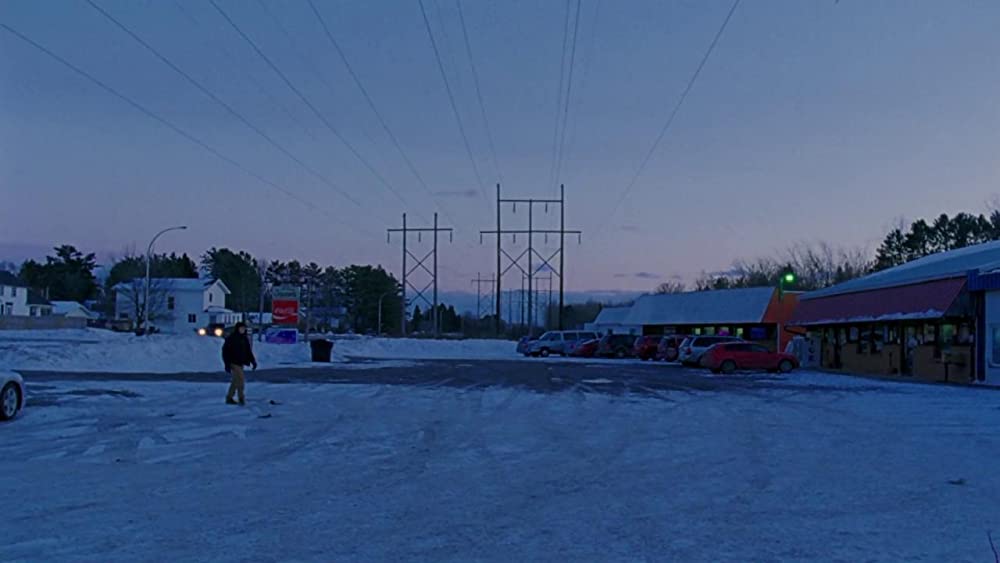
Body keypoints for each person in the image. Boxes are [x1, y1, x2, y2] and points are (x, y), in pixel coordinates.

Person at [222, 322, 257, 405]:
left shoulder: (244, 339)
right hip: (233, 363)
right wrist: (227, 364)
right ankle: (241, 398)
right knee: (241, 380)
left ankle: (229, 398)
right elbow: (225, 352)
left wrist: (253, 361)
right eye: (241, 328)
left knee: (235, 381)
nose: (242, 330)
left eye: (244, 328)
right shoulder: (231, 338)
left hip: (241, 363)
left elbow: (248, 351)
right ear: (237, 329)